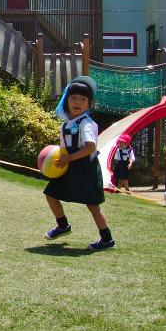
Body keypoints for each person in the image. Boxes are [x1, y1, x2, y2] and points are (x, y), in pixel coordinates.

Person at [43, 76, 115, 250]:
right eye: (73, 97)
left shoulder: (87, 124)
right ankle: (62, 226)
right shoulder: (65, 126)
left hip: (86, 169)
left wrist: (70, 158)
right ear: (66, 100)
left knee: (92, 205)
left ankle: (107, 239)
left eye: (83, 99)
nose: (77, 102)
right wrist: (56, 161)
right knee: (51, 193)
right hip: (69, 168)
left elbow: (90, 147)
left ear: (89, 104)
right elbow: (63, 148)